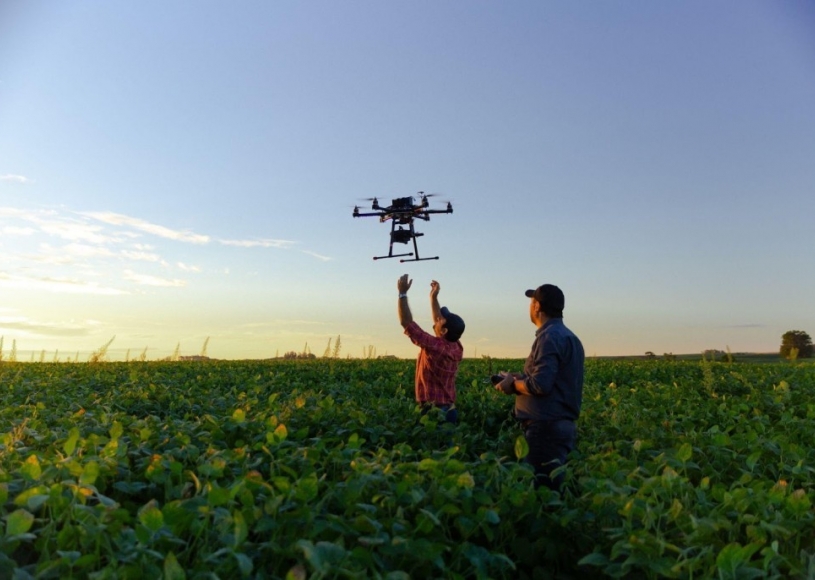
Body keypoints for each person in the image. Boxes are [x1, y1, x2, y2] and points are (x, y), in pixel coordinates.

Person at [493, 283, 584, 491]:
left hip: (545, 429)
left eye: (531, 301)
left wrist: (512, 385)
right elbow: (553, 378)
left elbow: (540, 385)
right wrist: (519, 377)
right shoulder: (570, 338)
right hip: (559, 426)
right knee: (553, 490)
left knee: (543, 494)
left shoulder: (548, 337)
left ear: (537, 307)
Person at [397, 274, 465, 424]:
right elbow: (437, 323)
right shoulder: (456, 347)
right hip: (450, 410)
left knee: (431, 446)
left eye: (442, 319)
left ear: (444, 331)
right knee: (447, 447)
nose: (438, 318)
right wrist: (433, 298)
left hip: (434, 412)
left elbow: (406, 322)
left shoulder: (436, 347)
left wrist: (402, 294)